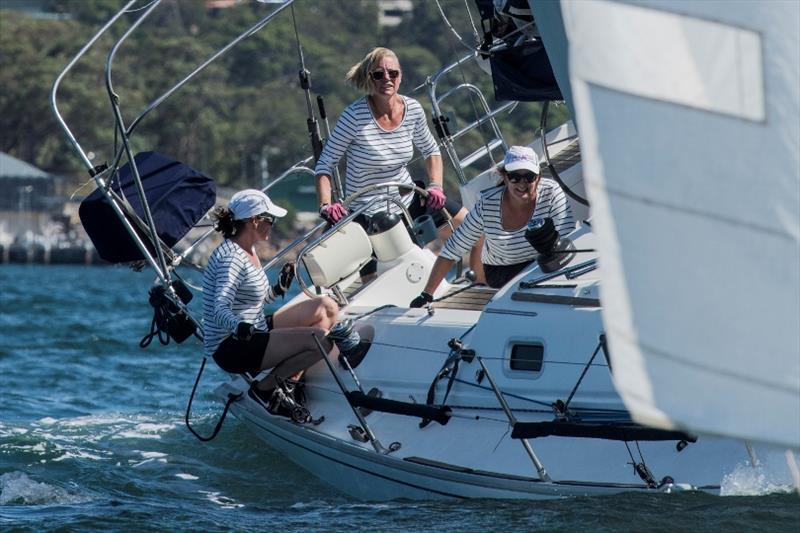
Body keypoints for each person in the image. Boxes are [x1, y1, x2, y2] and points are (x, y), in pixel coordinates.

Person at [314, 47, 470, 275]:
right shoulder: (354, 116)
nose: (387, 79)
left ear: (400, 76)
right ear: (369, 78)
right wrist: (326, 205)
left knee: (472, 226)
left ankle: (480, 283)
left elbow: (431, 150)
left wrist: (436, 186)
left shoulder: (413, 109)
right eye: (379, 74)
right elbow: (324, 165)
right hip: (366, 214)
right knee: (373, 281)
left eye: (393, 74)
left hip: (406, 202)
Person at [202, 189, 339, 394]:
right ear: (254, 220)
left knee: (326, 307)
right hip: (232, 347)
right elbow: (219, 309)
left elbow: (252, 300)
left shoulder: (249, 248)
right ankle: (264, 389)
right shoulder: (231, 259)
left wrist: (278, 288)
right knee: (322, 341)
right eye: (271, 219)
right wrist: (239, 327)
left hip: (253, 329)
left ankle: (290, 380)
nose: (273, 224)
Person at [410, 146, 575, 306]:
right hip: (503, 273)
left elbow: (567, 241)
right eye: (515, 176)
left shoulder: (552, 193)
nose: (522, 183)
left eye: (529, 176)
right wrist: (427, 294)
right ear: (505, 177)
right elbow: (453, 249)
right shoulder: (487, 204)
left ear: (538, 177)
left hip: (545, 264)